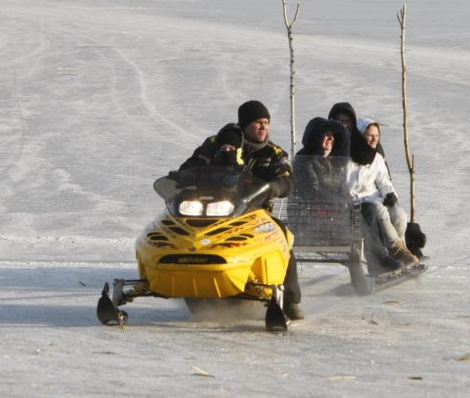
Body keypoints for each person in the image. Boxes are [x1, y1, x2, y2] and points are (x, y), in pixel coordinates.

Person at [180, 100, 303, 319]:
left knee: (283, 236)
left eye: (266, 123)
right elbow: (189, 167)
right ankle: (191, 284)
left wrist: (275, 187)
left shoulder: (273, 153)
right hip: (214, 210)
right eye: (257, 122)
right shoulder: (216, 143)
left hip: (257, 213)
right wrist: (193, 173)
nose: (263, 127)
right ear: (245, 125)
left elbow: (287, 179)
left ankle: (291, 300)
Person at [328, 103, 420, 270]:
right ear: (361, 134)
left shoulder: (375, 156)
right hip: (357, 202)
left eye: (376, 136)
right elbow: (340, 183)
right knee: (379, 210)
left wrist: (390, 194)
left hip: (375, 197)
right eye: (370, 136)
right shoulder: (343, 154)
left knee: (399, 214)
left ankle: (402, 253)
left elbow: (384, 181)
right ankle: (396, 250)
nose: (373, 140)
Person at [293, 117, 350, 200]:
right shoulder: (304, 159)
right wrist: (338, 202)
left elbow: (343, 187)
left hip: (332, 209)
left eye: (333, 135)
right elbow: (313, 190)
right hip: (308, 209)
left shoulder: (333, 161)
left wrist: (348, 202)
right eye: (327, 135)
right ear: (316, 137)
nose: (331, 138)